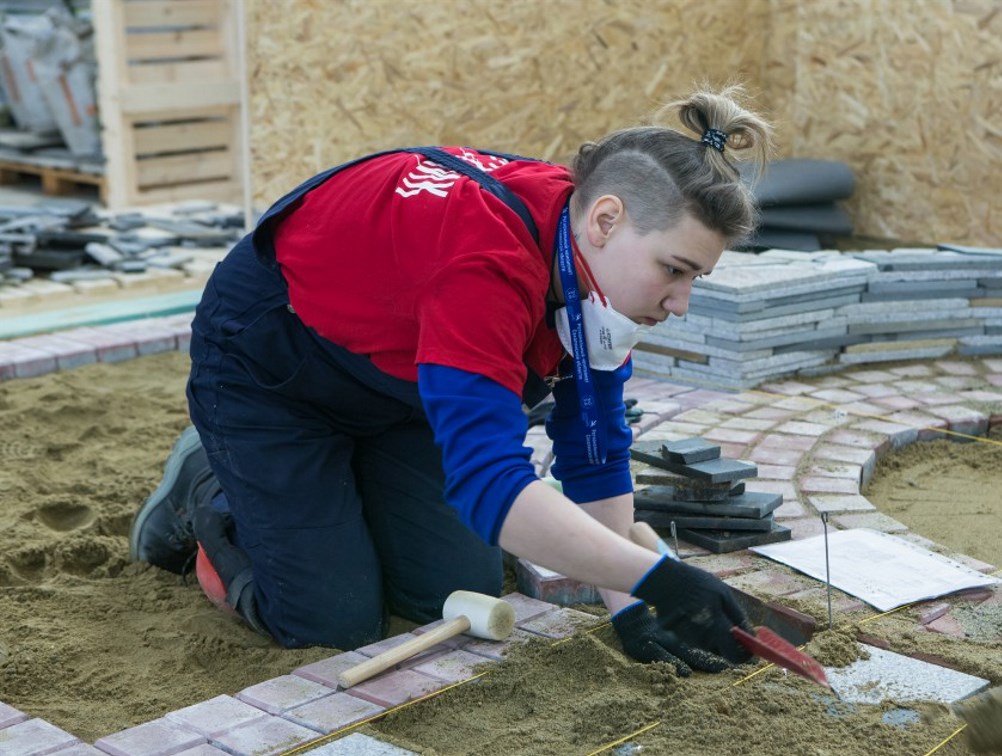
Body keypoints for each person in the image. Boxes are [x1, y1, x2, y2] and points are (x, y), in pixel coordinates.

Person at [129, 86, 773, 676]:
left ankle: (337, 489)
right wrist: (659, 576)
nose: (681, 302)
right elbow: (491, 486)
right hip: (275, 367)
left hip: (403, 385)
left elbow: (595, 455)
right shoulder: (485, 264)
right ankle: (204, 486)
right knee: (330, 622)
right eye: (675, 270)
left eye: (695, 279)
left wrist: (629, 604)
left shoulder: (587, 266)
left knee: (449, 591)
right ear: (605, 220)